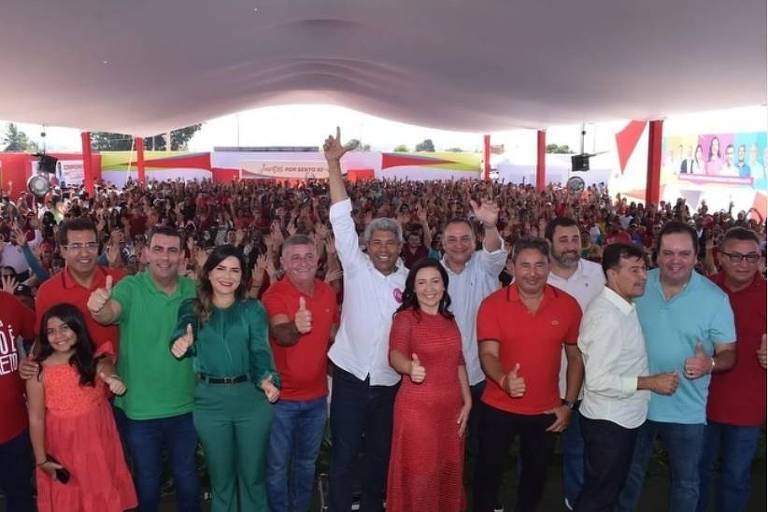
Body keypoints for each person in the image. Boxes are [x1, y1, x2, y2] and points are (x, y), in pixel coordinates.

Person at [618, 221, 736, 512]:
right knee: (627, 477)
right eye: (668, 252)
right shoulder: (636, 286)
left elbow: (729, 354)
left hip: (686, 411)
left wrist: (708, 363)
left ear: (697, 257)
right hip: (636, 402)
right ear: (655, 255)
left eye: (684, 253)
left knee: (686, 484)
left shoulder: (715, 299)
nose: (675, 260)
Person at [323, 127, 409, 512]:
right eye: (377, 242)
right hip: (350, 377)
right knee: (342, 458)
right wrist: (333, 166)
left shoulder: (414, 282)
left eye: (391, 242)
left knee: (379, 457)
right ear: (366, 246)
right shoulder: (355, 268)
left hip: (390, 383)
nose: (384, 249)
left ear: (400, 247)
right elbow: (342, 219)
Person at [87, 225, 201, 512]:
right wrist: (98, 307)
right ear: (146, 253)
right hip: (140, 411)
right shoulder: (130, 287)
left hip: (186, 407)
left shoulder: (194, 290)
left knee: (187, 480)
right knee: (146, 484)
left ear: (182, 256)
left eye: (172, 250)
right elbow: (110, 312)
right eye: (159, 249)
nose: (165, 257)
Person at [474, 237, 583, 512]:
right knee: (487, 475)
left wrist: (568, 404)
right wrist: (503, 381)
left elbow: (575, 357)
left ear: (549, 267)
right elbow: (488, 354)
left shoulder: (569, 306)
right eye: (524, 265)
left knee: (535, 480)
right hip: (497, 406)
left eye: (539, 265)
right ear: (512, 266)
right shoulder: (492, 304)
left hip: (546, 410)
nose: (532, 273)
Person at [170, 244, 280, 512]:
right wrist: (180, 341)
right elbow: (183, 329)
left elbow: (259, 350)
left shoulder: (252, 309)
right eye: (220, 268)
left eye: (234, 270)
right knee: (221, 482)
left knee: (253, 479)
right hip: (210, 403)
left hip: (252, 400)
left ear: (242, 277)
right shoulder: (192, 307)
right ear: (208, 273)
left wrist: (267, 380)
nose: (227, 276)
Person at [575, 243, 680, 512]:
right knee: (599, 495)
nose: (643, 276)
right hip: (609, 423)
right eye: (633, 270)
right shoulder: (606, 317)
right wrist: (650, 382)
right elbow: (597, 381)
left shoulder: (624, 306)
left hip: (620, 419)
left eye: (644, 268)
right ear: (611, 274)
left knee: (607, 491)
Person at [26, 304, 136, 512]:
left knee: (100, 489)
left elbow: (106, 367)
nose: (58, 335)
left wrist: (112, 378)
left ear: (78, 328)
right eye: (51, 331)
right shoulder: (38, 370)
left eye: (65, 327)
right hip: (62, 444)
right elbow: (36, 418)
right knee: (69, 495)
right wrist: (41, 461)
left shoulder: (94, 358)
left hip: (98, 440)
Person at [386, 258, 471, 512]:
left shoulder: (450, 319)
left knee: (448, 470)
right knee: (421, 475)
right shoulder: (405, 319)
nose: (429, 288)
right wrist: (409, 368)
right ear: (413, 287)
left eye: (435, 281)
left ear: (444, 286)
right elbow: (395, 355)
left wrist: (468, 400)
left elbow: (458, 360)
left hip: (451, 412)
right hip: (417, 413)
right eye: (421, 282)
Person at [262, 234, 339, 512]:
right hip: (281, 401)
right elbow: (281, 334)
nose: (303, 262)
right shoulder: (274, 294)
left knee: (306, 464)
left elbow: (335, 335)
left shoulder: (328, 292)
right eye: (295, 257)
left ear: (317, 259)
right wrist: (297, 327)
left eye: (308, 256)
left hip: (317, 398)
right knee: (277, 467)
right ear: (282, 262)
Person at [698, 227, 766, 512]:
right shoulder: (702, 290)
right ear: (720, 257)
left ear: (761, 260)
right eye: (736, 256)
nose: (744, 263)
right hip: (699, 403)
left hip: (748, 406)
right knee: (695, 476)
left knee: (735, 478)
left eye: (752, 257)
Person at [544, 217, 605, 509]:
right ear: (550, 244)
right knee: (535, 451)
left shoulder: (600, 274)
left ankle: (575, 503)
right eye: (563, 240)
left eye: (575, 239)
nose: (570, 246)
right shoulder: (534, 275)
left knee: (580, 451)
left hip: (591, 383)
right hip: (544, 381)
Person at [439, 200, 507, 457]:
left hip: (482, 373)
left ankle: (480, 495)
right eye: (452, 239)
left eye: (465, 238)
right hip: (444, 375)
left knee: (483, 444)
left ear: (475, 240)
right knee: (446, 443)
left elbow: (494, 251)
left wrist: (490, 226)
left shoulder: (484, 265)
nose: (459, 245)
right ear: (442, 244)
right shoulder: (431, 273)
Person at [19, 218, 124, 379]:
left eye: (91, 245)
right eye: (75, 246)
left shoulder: (120, 281)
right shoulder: (48, 292)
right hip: (77, 390)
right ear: (62, 251)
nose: (84, 253)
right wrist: (30, 362)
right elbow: (43, 339)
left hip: (122, 383)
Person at [0, 289, 36, 512]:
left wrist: (32, 360)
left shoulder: (8, 303)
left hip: (14, 427)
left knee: (19, 495)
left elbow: (42, 330)